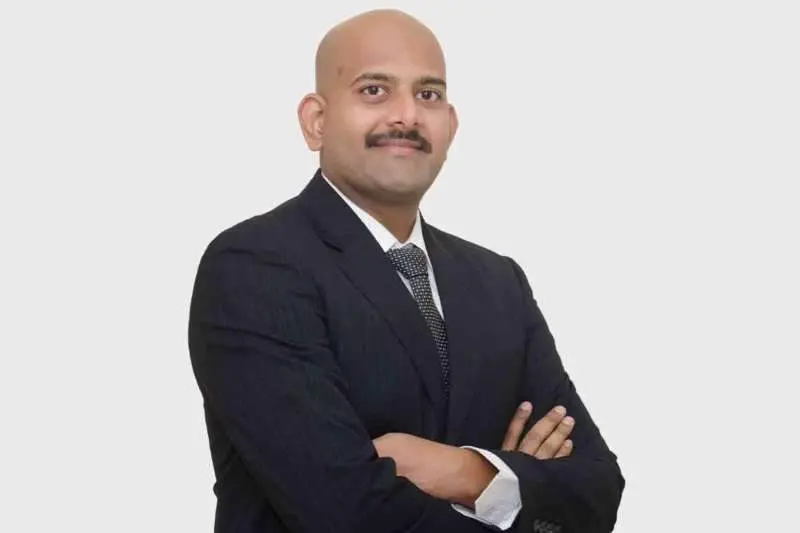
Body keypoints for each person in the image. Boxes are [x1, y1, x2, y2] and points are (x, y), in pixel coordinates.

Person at [188, 8, 624, 533]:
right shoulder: (255, 267)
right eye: (374, 90)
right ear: (316, 120)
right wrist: (518, 490)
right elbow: (345, 512)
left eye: (428, 94)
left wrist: (468, 473)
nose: (406, 116)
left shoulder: (498, 283)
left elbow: (599, 489)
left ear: (451, 124)